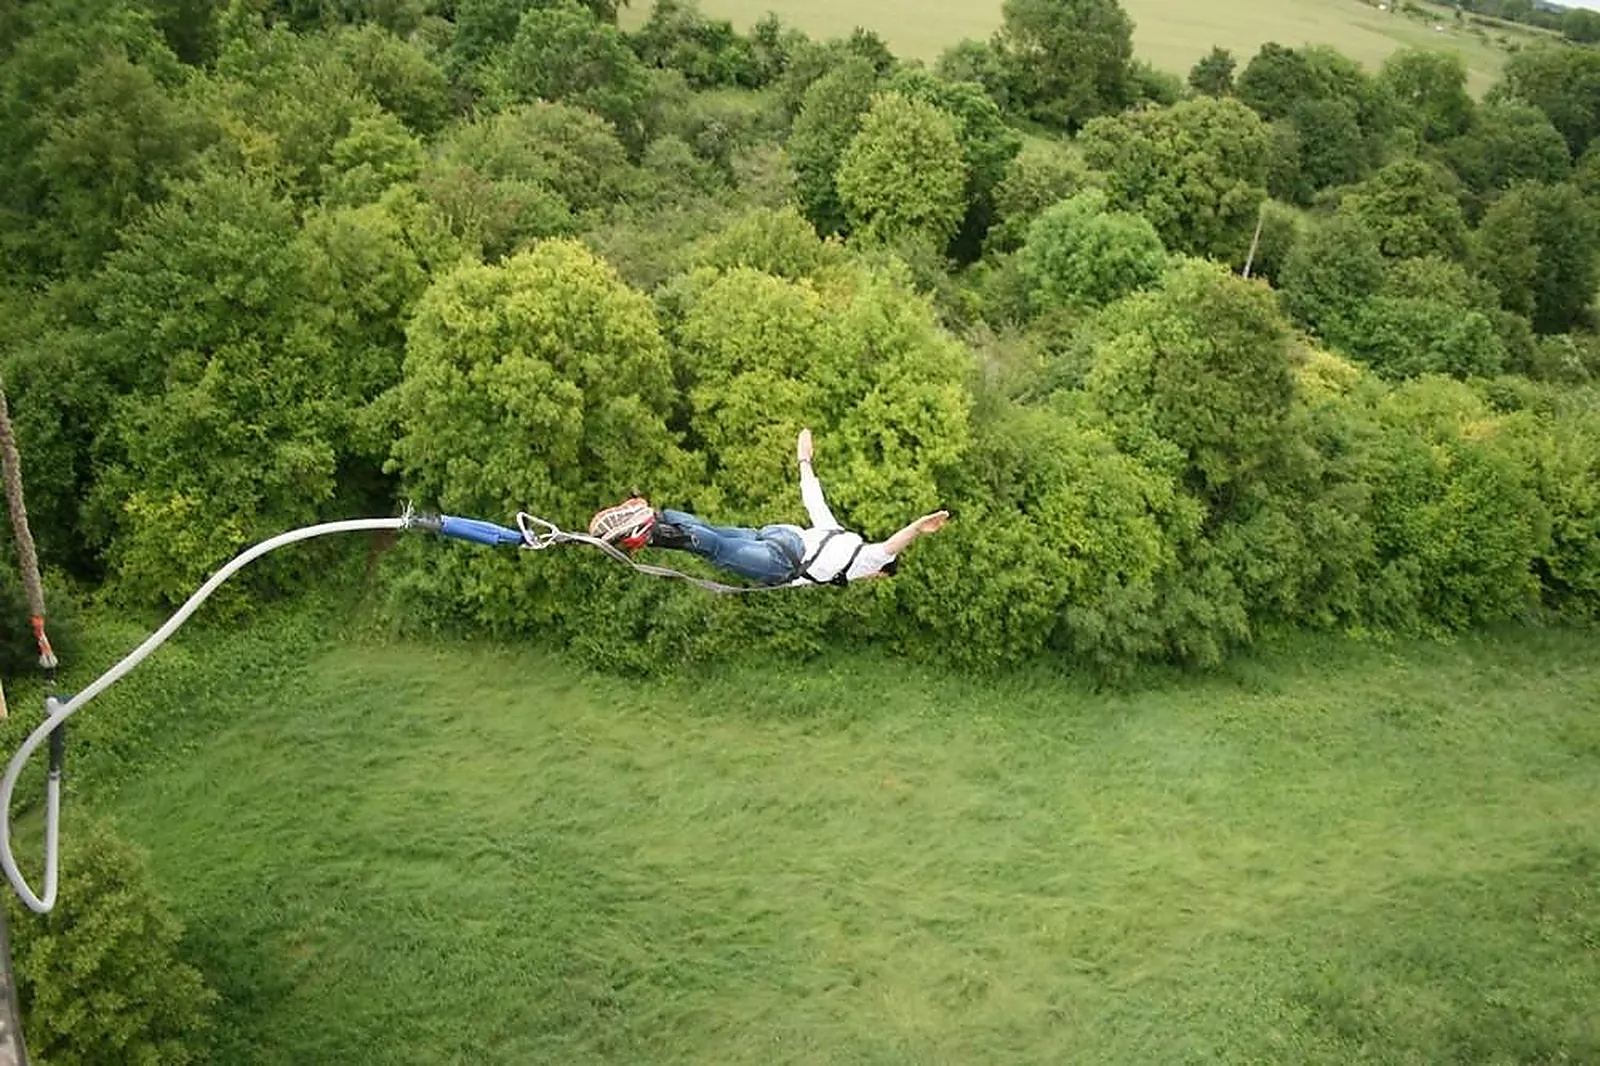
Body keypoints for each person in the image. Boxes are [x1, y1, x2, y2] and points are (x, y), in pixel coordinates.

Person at [587, 429, 949, 588]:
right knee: (716, 548)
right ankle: (648, 531)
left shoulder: (841, 536)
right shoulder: (868, 561)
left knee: (711, 531)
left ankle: (653, 517)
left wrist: (804, 461)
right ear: (881, 573)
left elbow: (815, 501)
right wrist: (918, 526)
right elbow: (891, 547)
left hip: (781, 534)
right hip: (782, 561)